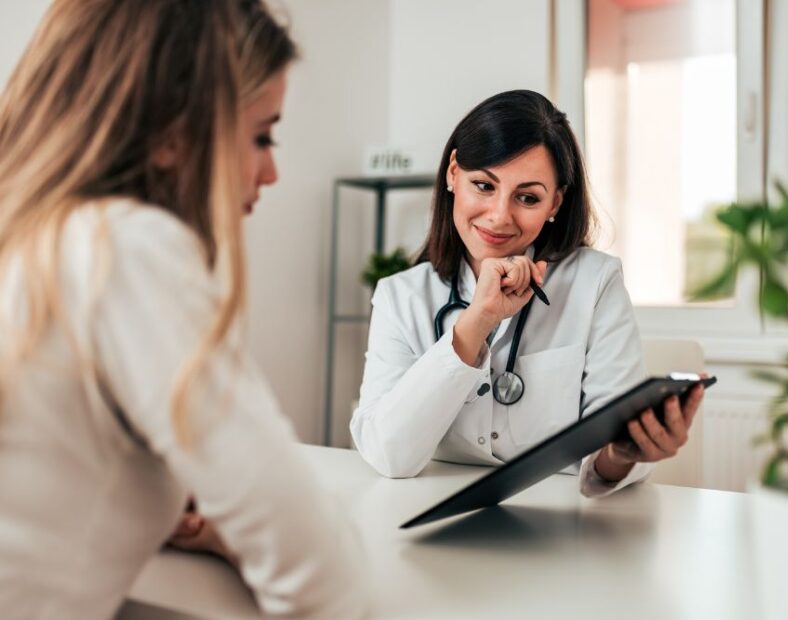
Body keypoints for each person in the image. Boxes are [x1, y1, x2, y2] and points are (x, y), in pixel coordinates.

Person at [0, 1, 366, 618]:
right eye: (261, 135)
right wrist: (237, 526)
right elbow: (321, 572)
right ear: (173, 134)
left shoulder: (32, 237)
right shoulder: (124, 246)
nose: (272, 171)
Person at [350, 90, 704, 496]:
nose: (500, 216)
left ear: (556, 201)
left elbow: (606, 450)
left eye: (528, 197)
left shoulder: (595, 282)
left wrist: (624, 454)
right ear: (452, 174)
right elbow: (389, 456)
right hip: (429, 512)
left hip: (563, 524)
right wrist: (475, 322)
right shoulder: (401, 297)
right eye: (483, 185)